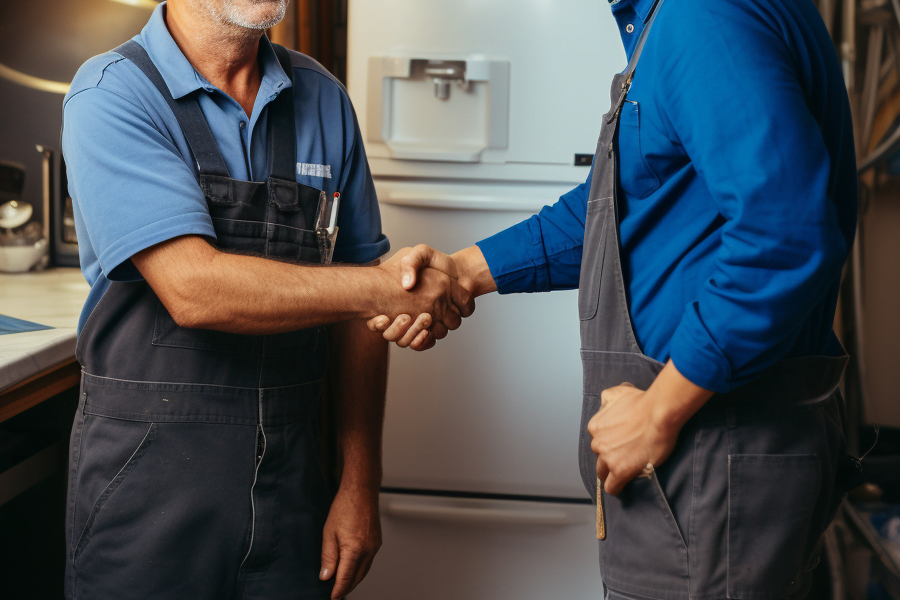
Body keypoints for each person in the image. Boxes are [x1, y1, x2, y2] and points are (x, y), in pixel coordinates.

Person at [371, 0, 859, 597]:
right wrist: (465, 271)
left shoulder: (702, 16)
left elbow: (785, 236)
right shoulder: (677, 18)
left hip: (711, 464)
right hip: (713, 471)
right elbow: (625, 208)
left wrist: (662, 410)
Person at [61, 1, 471, 598]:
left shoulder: (323, 99)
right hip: (147, 494)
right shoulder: (111, 93)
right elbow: (195, 289)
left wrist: (359, 483)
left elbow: (359, 319)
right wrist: (390, 287)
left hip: (294, 491)